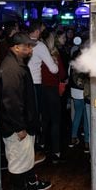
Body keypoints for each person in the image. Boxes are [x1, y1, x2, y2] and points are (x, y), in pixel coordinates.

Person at [0, 32, 52, 190]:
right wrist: (19, 127)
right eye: (27, 46)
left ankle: (30, 184)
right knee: (18, 162)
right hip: (17, 128)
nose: (30, 50)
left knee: (25, 158)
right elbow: (10, 102)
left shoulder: (17, 64)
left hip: (24, 125)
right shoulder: (10, 69)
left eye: (31, 46)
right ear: (16, 47)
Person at [27, 20, 58, 148]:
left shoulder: (22, 42)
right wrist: (54, 61)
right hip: (35, 84)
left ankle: (30, 148)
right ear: (37, 31)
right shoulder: (40, 46)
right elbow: (53, 69)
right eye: (42, 30)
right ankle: (35, 147)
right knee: (36, 116)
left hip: (23, 83)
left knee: (27, 115)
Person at [40, 31, 67, 163]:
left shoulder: (38, 53)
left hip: (42, 89)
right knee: (56, 121)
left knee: (44, 118)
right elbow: (61, 74)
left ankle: (42, 144)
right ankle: (56, 151)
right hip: (52, 90)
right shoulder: (54, 54)